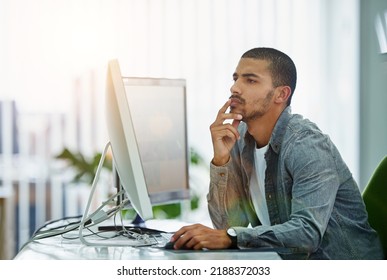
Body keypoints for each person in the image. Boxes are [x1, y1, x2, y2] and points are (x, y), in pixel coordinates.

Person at [170, 47, 384, 259]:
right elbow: (227, 226)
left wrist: (232, 237)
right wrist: (221, 160)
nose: (235, 88)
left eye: (250, 80)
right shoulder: (238, 137)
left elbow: (306, 234)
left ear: (281, 94)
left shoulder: (306, 144)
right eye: (236, 78)